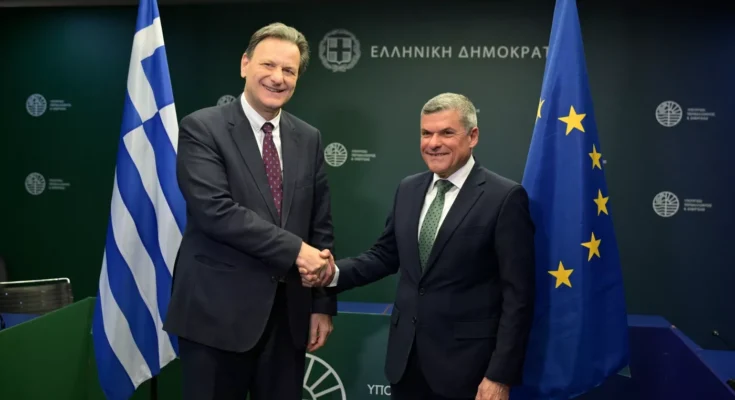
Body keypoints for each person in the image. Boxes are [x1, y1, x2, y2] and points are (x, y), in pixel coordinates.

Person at [321, 93, 536, 400]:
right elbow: (385, 256)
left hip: (469, 371)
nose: (433, 143)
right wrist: (332, 273)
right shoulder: (409, 188)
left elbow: (518, 297)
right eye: (426, 133)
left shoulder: (504, 197)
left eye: (446, 133)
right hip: (406, 365)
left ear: (473, 136)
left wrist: (499, 375)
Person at [163, 22, 336, 400]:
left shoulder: (308, 137)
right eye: (268, 65)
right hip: (215, 318)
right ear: (245, 64)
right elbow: (216, 211)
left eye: (289, 70)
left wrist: (322, 304)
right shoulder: (202, 128)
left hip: (287, 321)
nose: (278, 78)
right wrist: (296, 251)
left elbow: (320, 224)